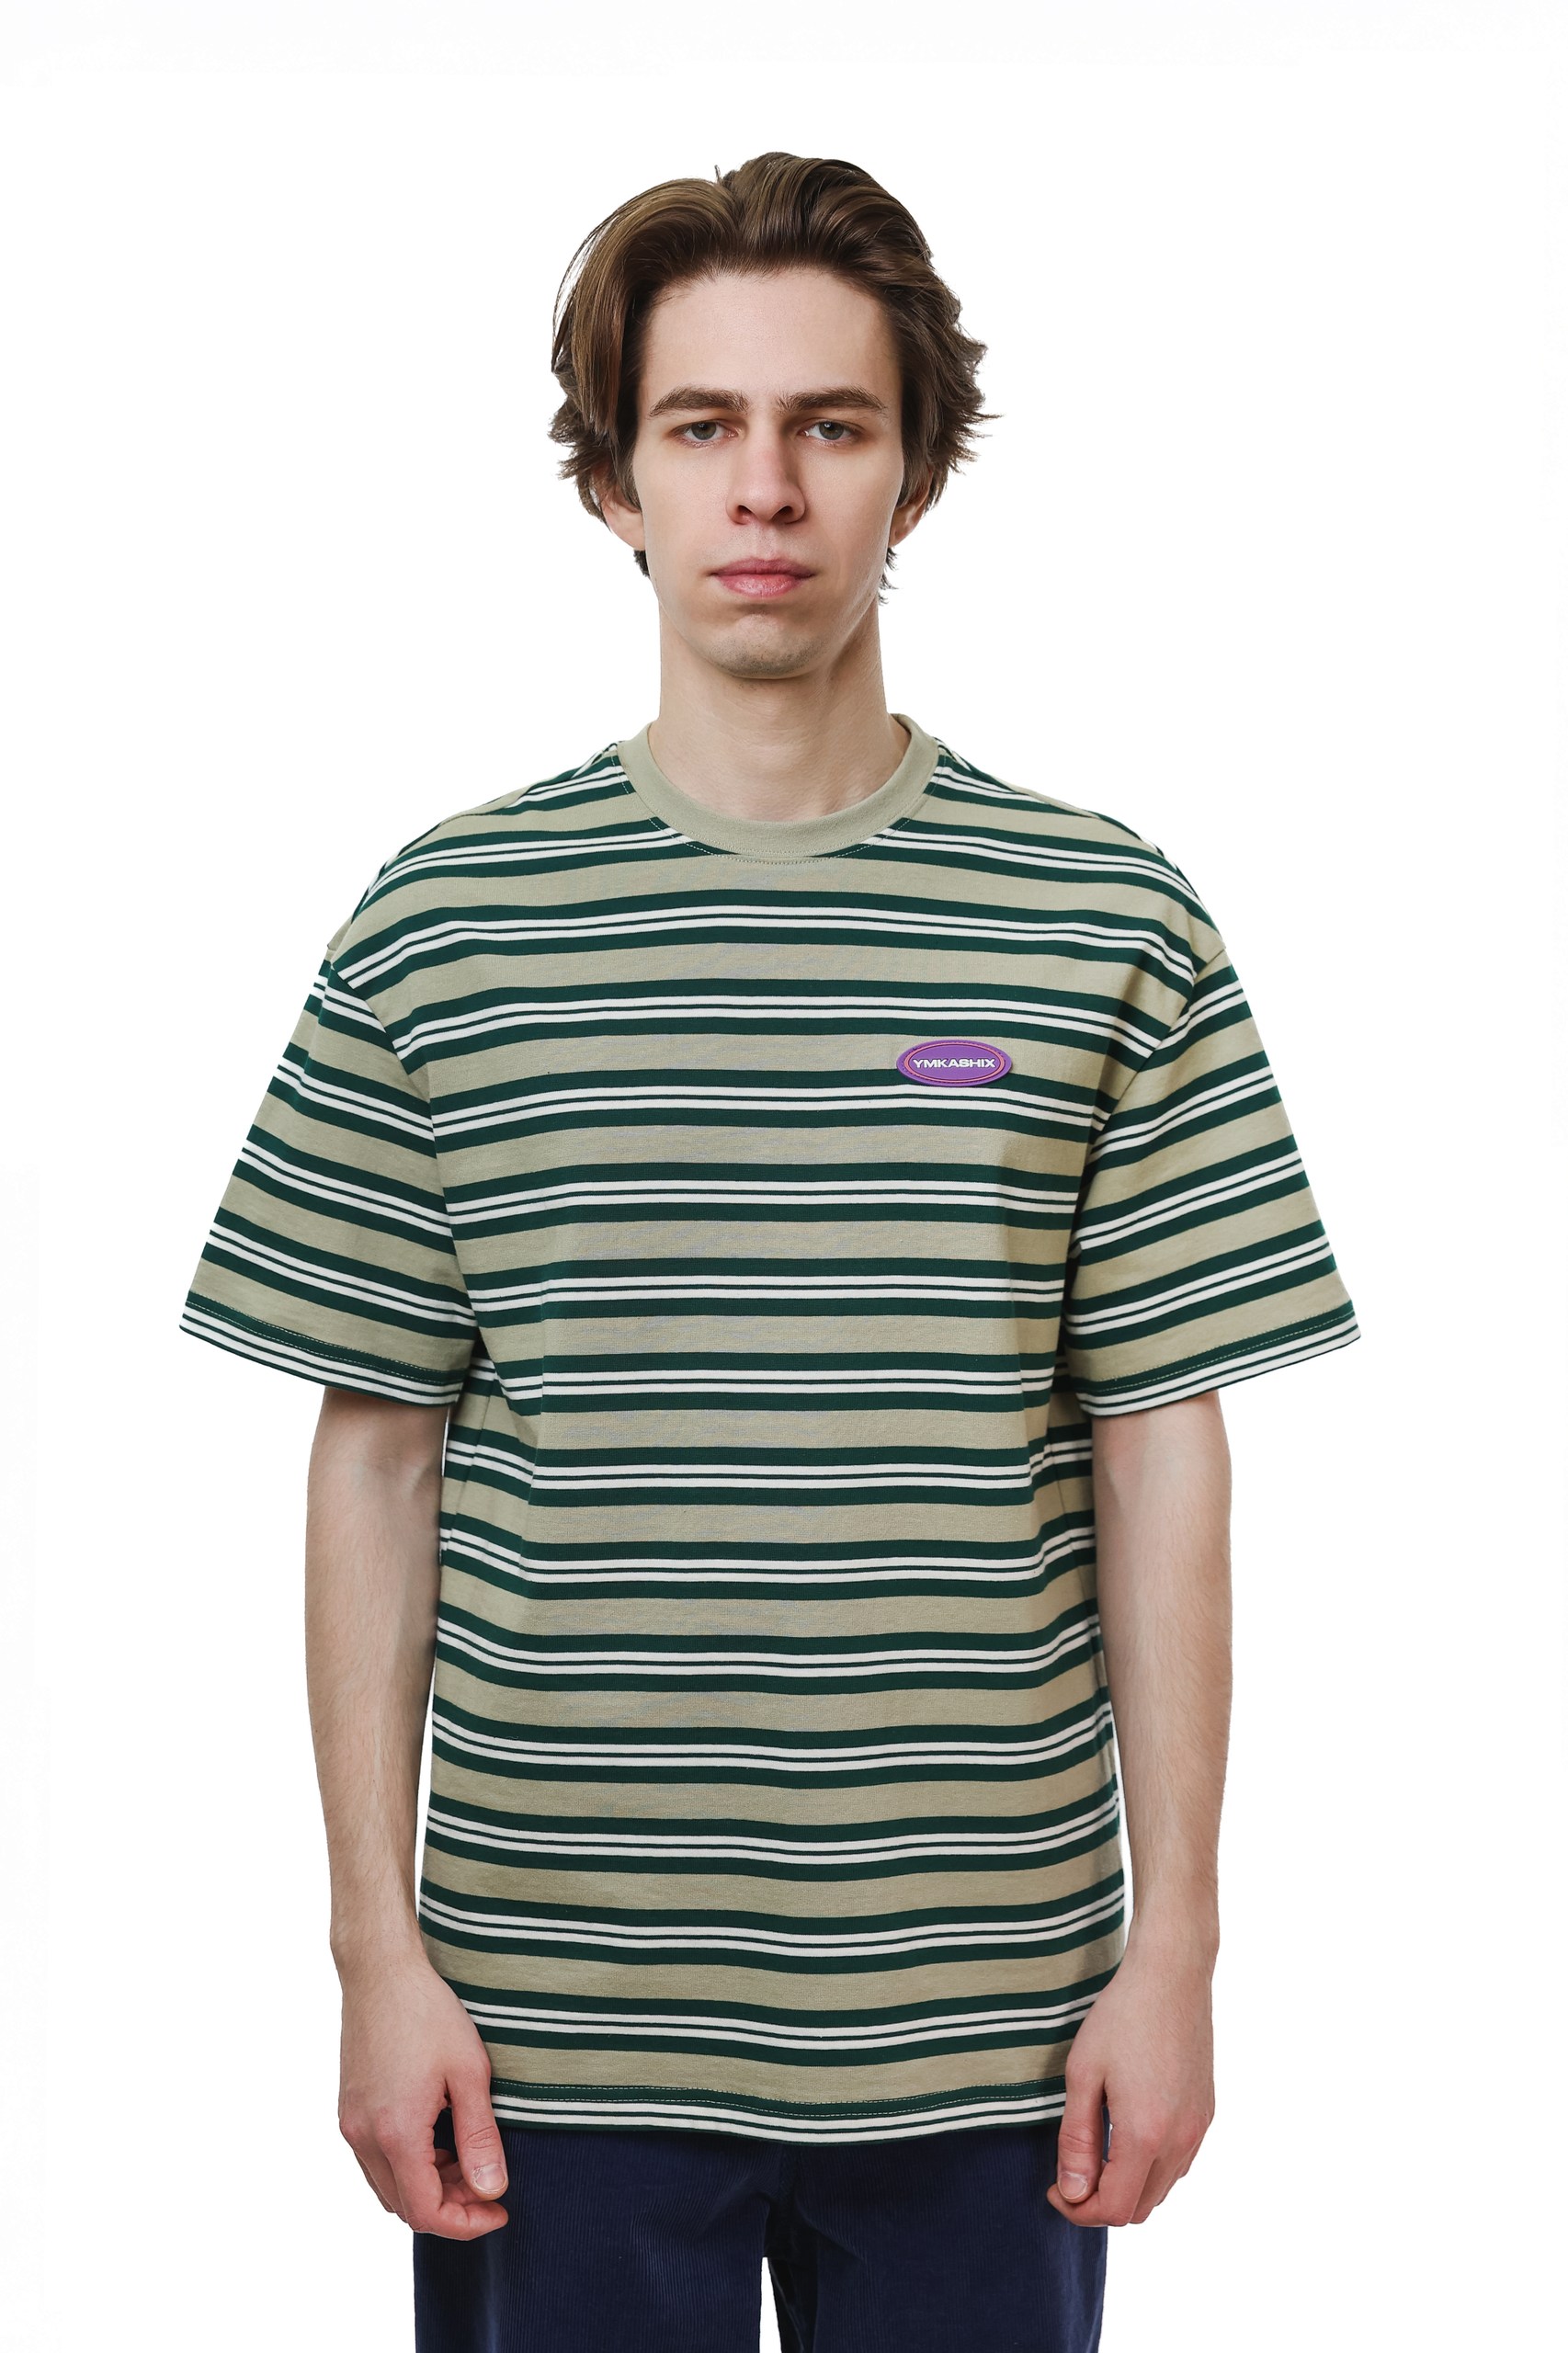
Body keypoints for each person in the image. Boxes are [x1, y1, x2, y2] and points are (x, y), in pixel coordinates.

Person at [178, 151, 1361, 2353]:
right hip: (546, 2018)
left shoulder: (1101, 918)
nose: (764, 487)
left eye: (829, 423)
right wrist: (374, 1951)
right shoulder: (445, 925)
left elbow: (1159, 1447)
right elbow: (374, 1451)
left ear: (914, 472)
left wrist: (1175, 1947)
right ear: (609, 480)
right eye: (699, 423)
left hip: (993, 2014)